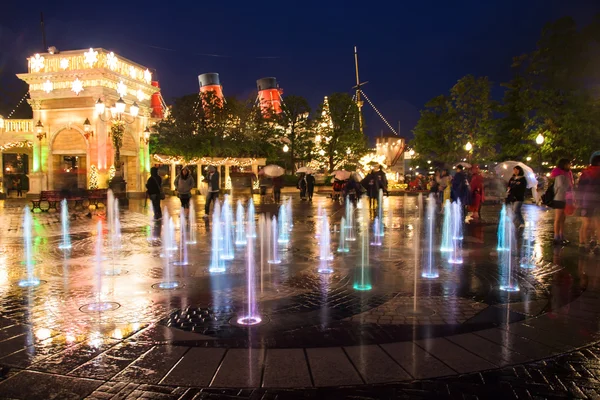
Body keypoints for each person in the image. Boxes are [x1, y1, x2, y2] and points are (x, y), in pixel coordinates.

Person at [578, 152, 600, 254]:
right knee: (598, 223)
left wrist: (578, 201)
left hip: (586, 200)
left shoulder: (586, 172)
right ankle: (598, 246)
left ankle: (582, 244)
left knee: (586, 223)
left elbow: (580, 188)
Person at [551, 158, 573, 245]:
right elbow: (560, 186)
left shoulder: (568, 174)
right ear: (564, 164)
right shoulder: (560, 175)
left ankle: (561, 235)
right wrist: (568, 190)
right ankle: (556, 237)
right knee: (558, 218)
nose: (570, 165)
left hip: (565, 198)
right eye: (568, 163)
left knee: (563, 218)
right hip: (559, 198)